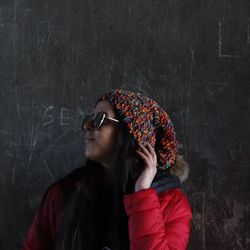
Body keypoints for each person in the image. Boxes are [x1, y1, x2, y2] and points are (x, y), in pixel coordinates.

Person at [22, 89, 192, 250]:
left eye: (100, 119)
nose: (87, 125)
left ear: (131, 133)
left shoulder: (171, 203)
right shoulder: (63, 193)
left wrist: (142, 196)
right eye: (89, 118)